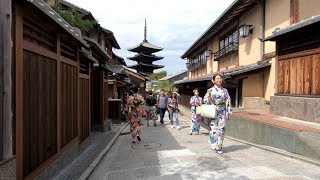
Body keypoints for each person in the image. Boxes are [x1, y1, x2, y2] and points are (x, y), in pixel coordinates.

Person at [204, 73, 232, 154]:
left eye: (220, 78)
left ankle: (219, 147)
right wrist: (209, 95)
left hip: (222, 112)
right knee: (213, 129)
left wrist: (228, 111)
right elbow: (206, 101)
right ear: (213, 81)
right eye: (217, 78)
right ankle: (213, 143)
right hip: (214, 112)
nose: (219, 80)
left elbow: (228, 101)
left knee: (222, 130)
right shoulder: (211, 90)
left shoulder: (225, 90)